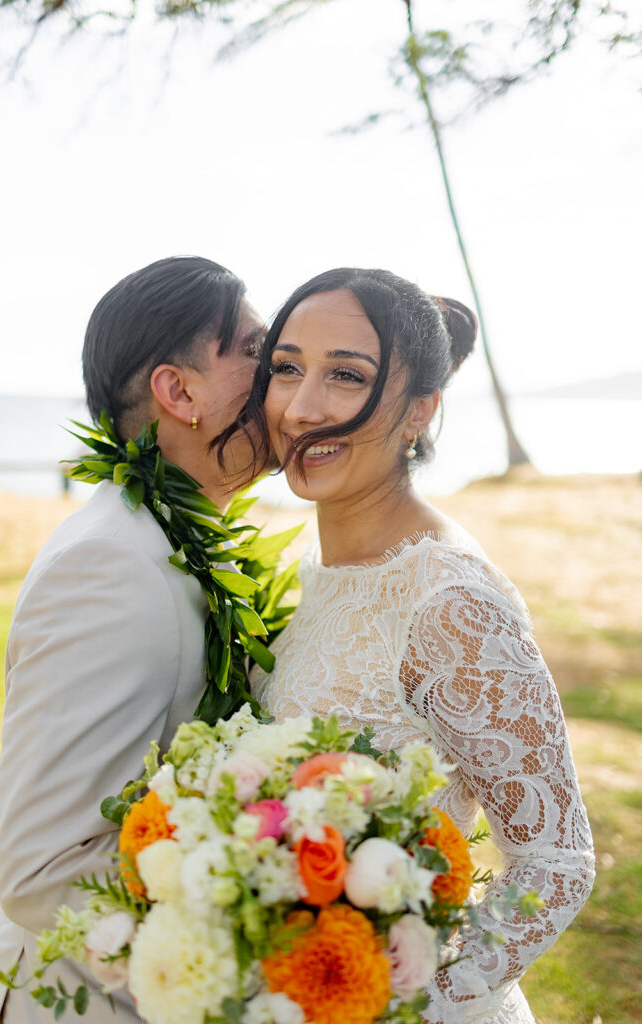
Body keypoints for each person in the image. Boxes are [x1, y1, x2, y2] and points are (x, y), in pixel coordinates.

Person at [235, 268, 595, 1024]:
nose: (301, 409)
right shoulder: (315, 564)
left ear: (419, 412)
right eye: (286, 368)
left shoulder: (450, 602)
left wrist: (413, 1000)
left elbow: (555, 863)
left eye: (346, 376)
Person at [0, 256, 265, 1024]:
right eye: (256, 352)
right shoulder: (109, 562)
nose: (283, 380)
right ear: (179, 391)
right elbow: (41, 869)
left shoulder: (172, 536)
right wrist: (234, 990)